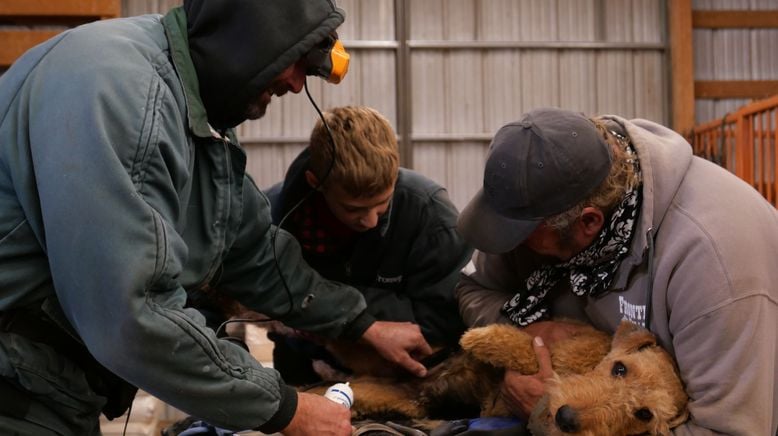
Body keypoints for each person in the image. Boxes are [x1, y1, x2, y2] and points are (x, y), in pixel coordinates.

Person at [0, 1, 434, 435]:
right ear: (250, 38)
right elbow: (135, 315)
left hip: (47, 384)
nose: (298, 85)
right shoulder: (127, 98)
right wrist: (284, 409)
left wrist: (364, 326)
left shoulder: (194, 114)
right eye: (293, 62)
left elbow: (255, 255)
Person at [455, 107, 778, 435]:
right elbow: (474, 287)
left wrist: (549, 414)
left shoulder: (715, 265)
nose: (511, 247)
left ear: (589, 222)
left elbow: (724, 430)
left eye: (520, 236)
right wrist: (527, 333)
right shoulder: (546, 202)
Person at [264, 105, 472, 385]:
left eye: (383, 205)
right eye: (354, 210)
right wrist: (363, 322)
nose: (371, 222)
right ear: (316, 183)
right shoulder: (273, 219)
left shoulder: (432, 217)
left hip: (404, 381)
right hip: (302, 374)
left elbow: (444, 319)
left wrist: (322, 303)